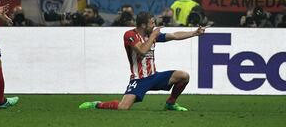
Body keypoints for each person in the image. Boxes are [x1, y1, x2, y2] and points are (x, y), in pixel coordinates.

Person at [79, 11, 207, 111]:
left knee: (184, 76)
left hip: (154, 76)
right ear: (143, 25)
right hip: (139, 79)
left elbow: (174, 36)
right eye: (152, 23)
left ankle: (170, 104)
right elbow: (142, 51)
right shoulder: (130, 35)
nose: (154, 26)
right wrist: (153, 36)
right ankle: (97, 104)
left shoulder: (151, 35)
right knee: (123, 107)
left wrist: (194, 33)